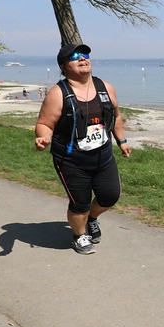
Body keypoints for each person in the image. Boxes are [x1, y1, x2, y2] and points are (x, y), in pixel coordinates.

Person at [34, 43, 131, 255]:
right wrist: (43, 137)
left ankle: (92, 219)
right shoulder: (58, 94)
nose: (82, 58)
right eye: (75, 56)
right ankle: (79, 236)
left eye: (85, 54)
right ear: (63, 66)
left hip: (103, 155)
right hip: (71, 160)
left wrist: (121, 141)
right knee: (80, 203)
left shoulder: (105, 87)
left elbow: (116, 116)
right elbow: (45, 123)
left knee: (110, 196)